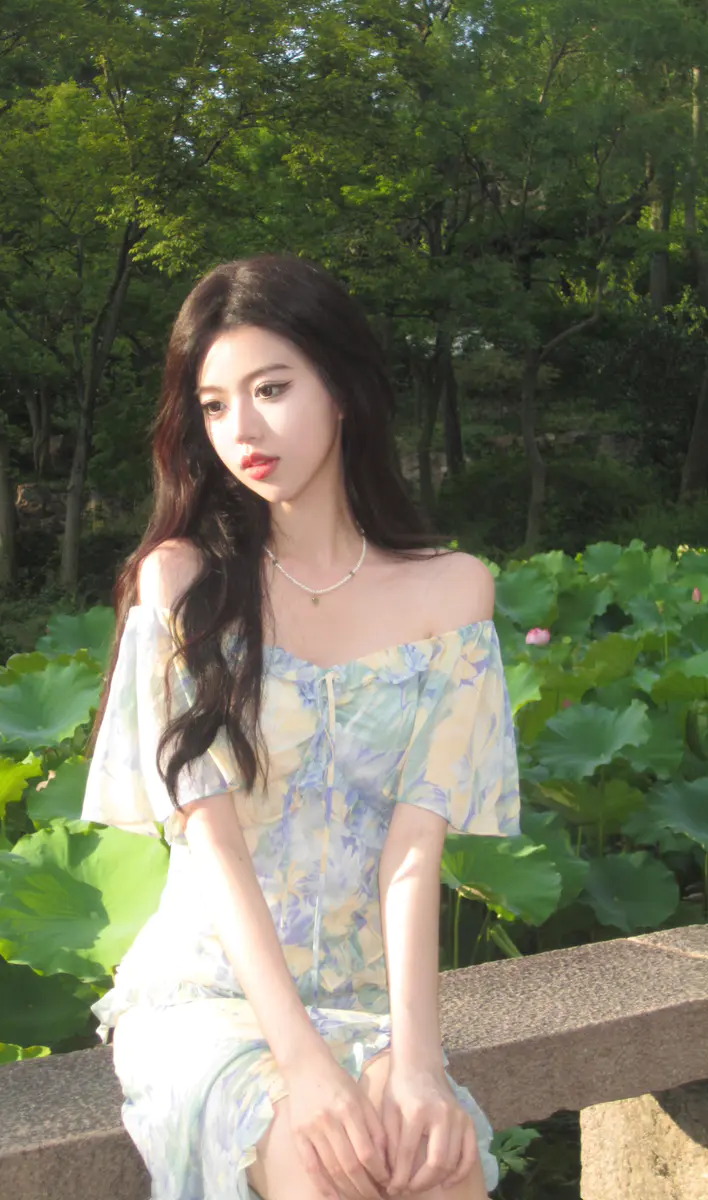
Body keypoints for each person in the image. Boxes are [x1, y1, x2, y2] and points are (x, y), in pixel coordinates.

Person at [80, 253, 522, 1200]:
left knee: (437, 1172)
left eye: (272, 389)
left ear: (344, 391)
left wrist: (416, 1062)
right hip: (215, 999)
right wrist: (305, 1068)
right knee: (328, 1174)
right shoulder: (184, 583)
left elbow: (414, 853)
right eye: (213, 405)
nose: (241, 429)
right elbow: (214, 847)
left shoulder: (453, 593)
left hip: (370, 1002)